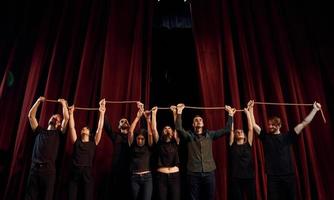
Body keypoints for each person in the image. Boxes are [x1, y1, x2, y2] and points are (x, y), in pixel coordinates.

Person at [249, 100, 322, 200]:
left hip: (288, 175)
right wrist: (251, 108)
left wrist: (315, 110)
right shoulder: (266, 137)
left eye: (273, 125)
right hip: (272, 176)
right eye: (269, 124)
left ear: (279, 125)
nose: (270, 126)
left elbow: (304, 123)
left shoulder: (288, 136)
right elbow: (254, 125)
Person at [175, 103, 234, 200]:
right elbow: (179, 128)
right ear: (193, 124)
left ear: (203, 123)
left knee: (209, 197)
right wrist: (179, 112)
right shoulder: (189, 136)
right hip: (193, 173)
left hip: (209, 172)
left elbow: (227, 129)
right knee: (193, 198)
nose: (198, 121)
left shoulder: (210, 135)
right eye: (196, 120)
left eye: (200, 120)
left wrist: (230, 114)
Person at [26, 96, 69, 200]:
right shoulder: (39, 131)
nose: (55, 118)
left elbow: (66, 118)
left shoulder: (58, 134)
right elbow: (31, 116)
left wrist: (63, 104)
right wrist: (38, 101)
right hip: (34, 169)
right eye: (53, 116)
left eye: (57, 118)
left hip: (48, 172)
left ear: (59, 124)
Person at [67, 99, 106, 200]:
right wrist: (71, 114)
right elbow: (72, 128)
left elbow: (100, 128)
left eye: (85, 128)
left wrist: (102, 113)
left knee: (88, 196)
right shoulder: (76, 141)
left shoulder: (94, 143)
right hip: (75, 172)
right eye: (82, 129)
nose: (83, 129)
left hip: (87, 173)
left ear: (89, 132)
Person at [151, 106, 180, 200]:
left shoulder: (175, 141)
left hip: (175, 176)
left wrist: (174, 113)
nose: (167, 129)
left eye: (169, 128)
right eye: (165, 128)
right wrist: (154, 114)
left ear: (172, 131)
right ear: (162, 132)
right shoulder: (159, 142)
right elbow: (154, 129)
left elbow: (177, 128)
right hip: (161, 176)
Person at [228, 102, 255, 200]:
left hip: (249, 177)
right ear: (235, 136)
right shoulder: (232, 144)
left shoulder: (248, 144)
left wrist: (247, 113)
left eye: (241, 131)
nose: (239, 132)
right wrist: (231, 115)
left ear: (244, 136)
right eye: (237, 132)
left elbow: (250, 129)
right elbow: (230, 131)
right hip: (236, 177)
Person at [128, 102, 154, 200]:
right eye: (138, 138)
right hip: (134, 177)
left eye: (142, 139)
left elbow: (150, 134)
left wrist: (148, 119)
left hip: (147, 177)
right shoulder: (132, 145)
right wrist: (138, 117)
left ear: (144, 139)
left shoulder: (148, 146)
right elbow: (130, 132)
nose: (140, 140)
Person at [103, 115, 132, 200]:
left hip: (129, 168)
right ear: (119, 126)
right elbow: (107, 127)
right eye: (122, 121)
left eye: (126, 121)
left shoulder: (133, 137)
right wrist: (103, 113)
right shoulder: (116, 136)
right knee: (115, 191)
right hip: (116, 168)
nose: (125, 122)